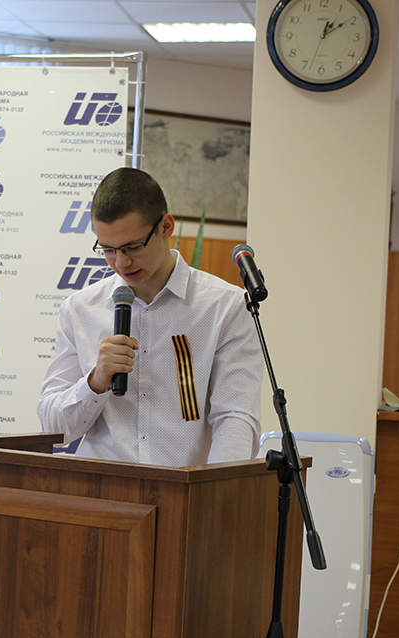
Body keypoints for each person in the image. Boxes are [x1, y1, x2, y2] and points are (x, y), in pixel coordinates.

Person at [37, 167, 263, 467]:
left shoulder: (225, 307)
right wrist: (94, 382)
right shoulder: (80, 309)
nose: (121, 262)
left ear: (166, 226)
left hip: (184, 486)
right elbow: (53, 430)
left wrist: (212, 489)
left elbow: (236, 418)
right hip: (101, 486)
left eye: (133, 247)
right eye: (108, 250)